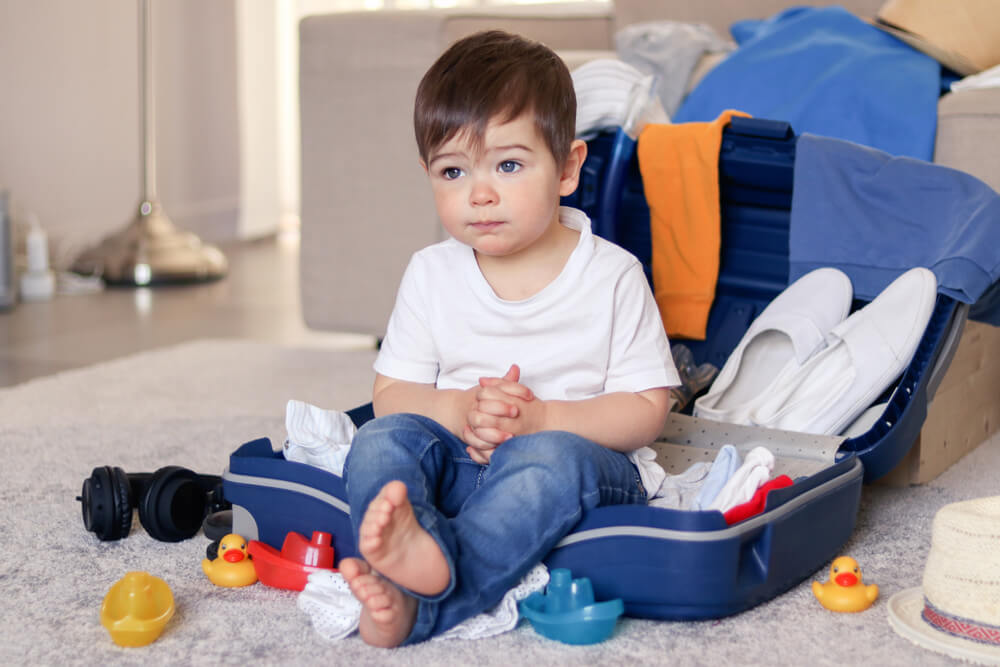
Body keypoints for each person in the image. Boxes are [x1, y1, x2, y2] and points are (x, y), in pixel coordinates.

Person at [340, 29, 680, 647]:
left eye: (510, 164)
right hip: (459, 459)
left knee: (543, 457)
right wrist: (456, 408)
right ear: (428, 174)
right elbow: (392, 391)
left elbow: (646, 410)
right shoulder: (431, 272)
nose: (480, 193)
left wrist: (544, 417)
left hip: (573, 464)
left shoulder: (611, 275)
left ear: (569, 168)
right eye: (453, 170)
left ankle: (424, 601)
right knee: (380, 439)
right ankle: (411, 547)